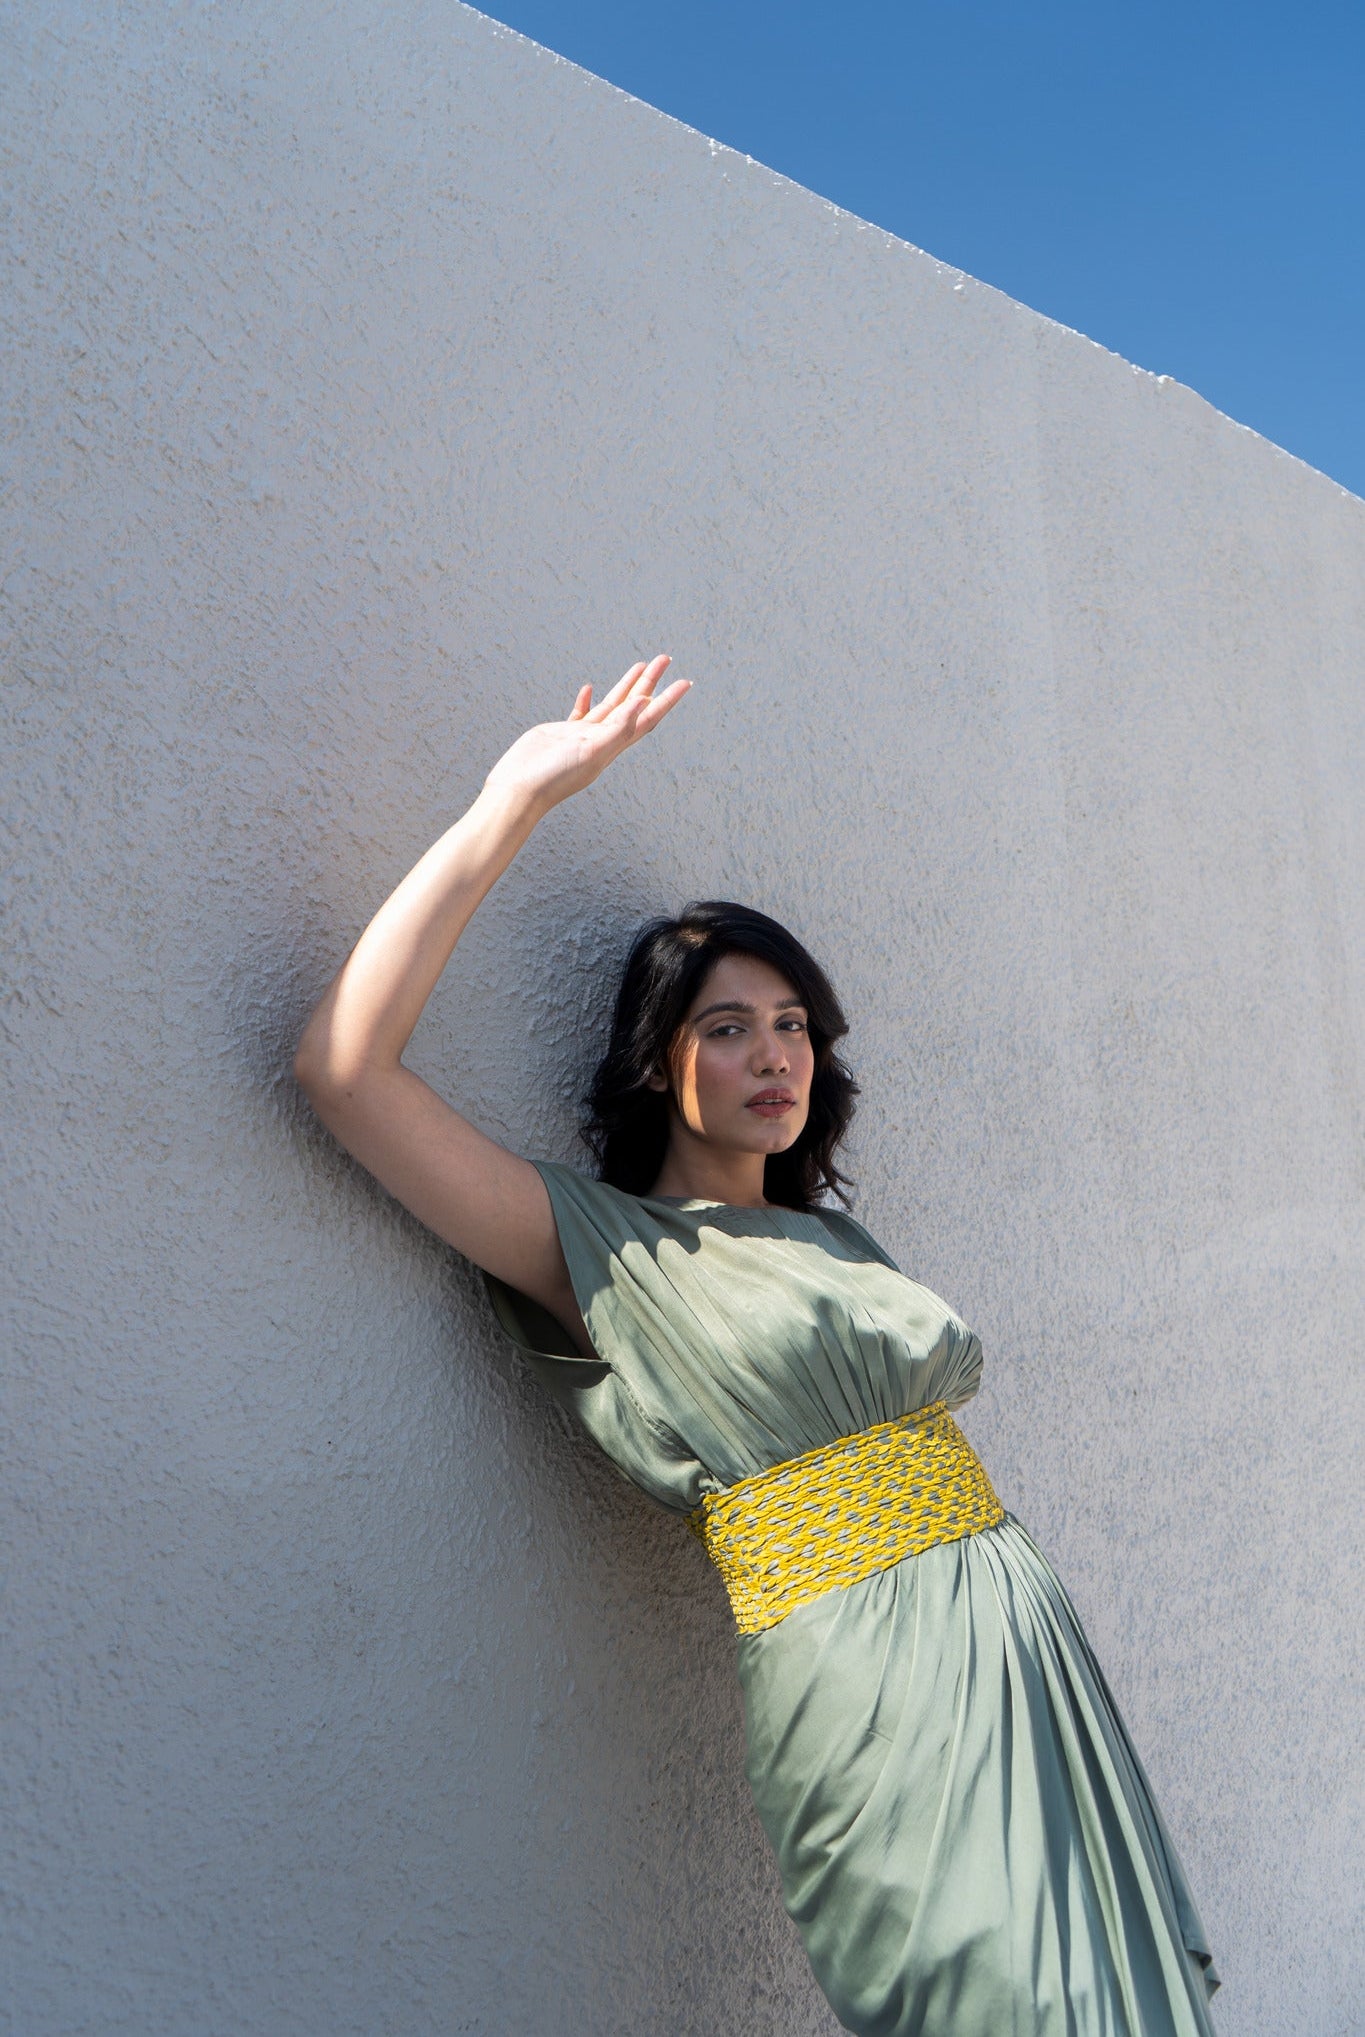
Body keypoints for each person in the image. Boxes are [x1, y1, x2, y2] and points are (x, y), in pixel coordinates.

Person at [294, 656, 1219, 2036]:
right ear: (657, 1058)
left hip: (1018, 1652)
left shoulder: (833, 1241)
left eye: (791, 1025)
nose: (772, 1053)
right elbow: (345, 1072)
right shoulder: (609, 1247)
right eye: (727, 1028)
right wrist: (511, 800)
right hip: (864, 1677)